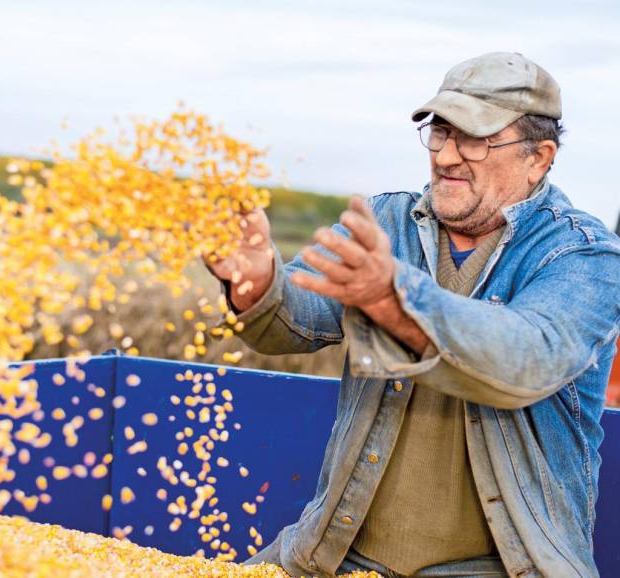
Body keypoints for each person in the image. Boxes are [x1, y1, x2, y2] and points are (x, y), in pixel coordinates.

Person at [206, 52, 620, 577]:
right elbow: (293, 320)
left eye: (474, 138)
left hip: (498, 568)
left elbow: (524, 360)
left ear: (538, 157)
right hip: (336, 553)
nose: (446, 155)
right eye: (440, 132)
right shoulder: (386, 221)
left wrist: (391, 298)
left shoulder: (582, 254)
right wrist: (256, 278)